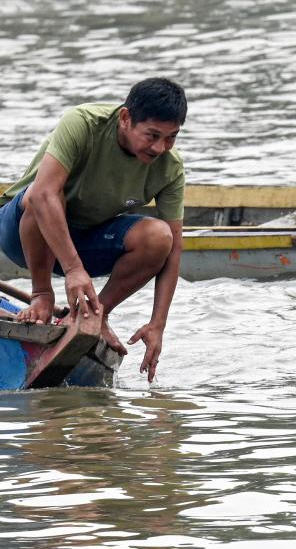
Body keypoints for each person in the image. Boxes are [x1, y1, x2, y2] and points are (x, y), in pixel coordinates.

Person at [0, 77, 188, 382]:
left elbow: (174, 249)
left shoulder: (170, 168)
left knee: (159, 237)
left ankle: (95, 314)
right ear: (125, 118)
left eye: (171, 138)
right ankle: (42, 295)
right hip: (21, 231)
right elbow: (42, 195)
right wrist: (73, 270)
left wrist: (158, 324)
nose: (159, 148)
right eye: (152, 135)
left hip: (84, 239)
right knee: (47, 193)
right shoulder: (84, 124)